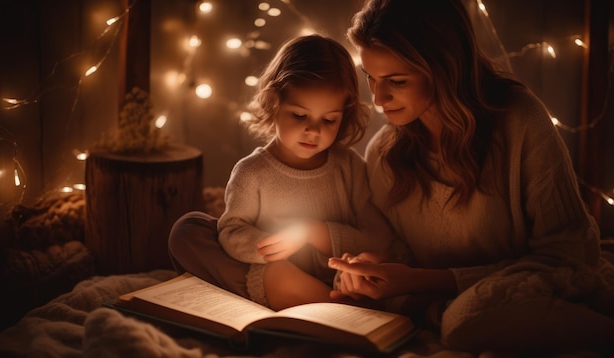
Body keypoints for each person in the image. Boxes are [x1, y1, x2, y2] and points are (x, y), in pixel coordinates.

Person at [327, 0, 614, 353]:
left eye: (396, 81)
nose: (378, 98)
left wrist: (420, 282)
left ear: (445, 69)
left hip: (537, 290)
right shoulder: (384, 153)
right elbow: (398, 253)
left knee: (469, 316)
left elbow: (570, 253)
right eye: (369, 77)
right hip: (460, 306)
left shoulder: (519, 120)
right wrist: (372, 269)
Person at [168, 34, 401, 311]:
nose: (313, 130)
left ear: (345, 115)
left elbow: (377, 238)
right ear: (273, 102)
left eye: (329, 120)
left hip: (339, 282)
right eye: (299, 115)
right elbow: (231, 231)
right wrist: (265, 248)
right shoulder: (252, 172)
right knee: (189, 229)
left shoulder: (348, 167)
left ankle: (327, 302)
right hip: (274, 274)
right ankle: (317, 301)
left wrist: (313, 233)